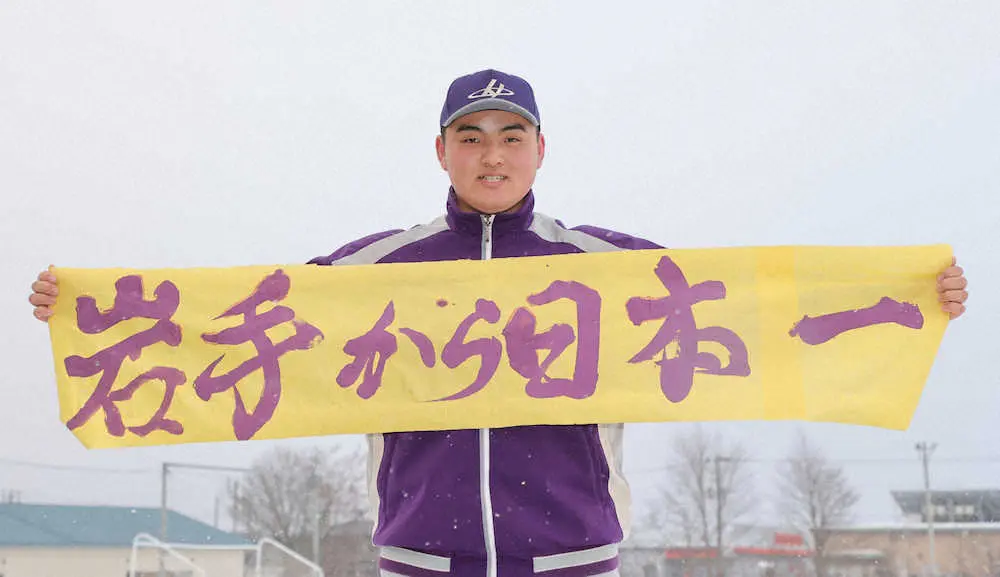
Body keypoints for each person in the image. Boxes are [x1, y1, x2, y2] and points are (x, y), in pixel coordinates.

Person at [29, 69, 970, 577]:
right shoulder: (379, 269)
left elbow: (758, 310)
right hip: (420, 551)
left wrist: (913, 297)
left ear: (539, 149)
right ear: (440, 150)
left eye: (510, 135)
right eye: (470, 137)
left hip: (570, 551)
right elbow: (233, 326)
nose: (491, 154)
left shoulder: (607, 268)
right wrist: (86, 314)